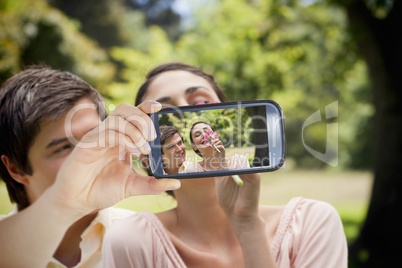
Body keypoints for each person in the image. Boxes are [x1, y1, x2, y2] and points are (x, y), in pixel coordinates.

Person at [102, 62, 348, 267]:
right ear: (146, 153)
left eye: (200, 104)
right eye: (164, 112)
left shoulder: (312, 224)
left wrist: (248, 226)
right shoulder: (132, 242)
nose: (187, 112)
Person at [0, 66, 180, 267]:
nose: (89, 155)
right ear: (15, 168)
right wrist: (64, 204)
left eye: (96, 138)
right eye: (63, 147)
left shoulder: (149, 241)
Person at [179, 121, 250, 174]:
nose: (204, 135)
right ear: (194, 147)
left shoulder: (240, 161)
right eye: (197, 135)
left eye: (207, 131)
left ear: (215, 136)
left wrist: (222, 162)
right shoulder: (191, 169)